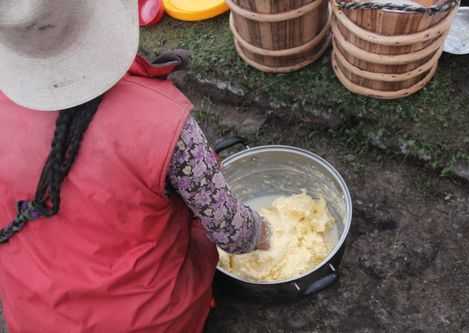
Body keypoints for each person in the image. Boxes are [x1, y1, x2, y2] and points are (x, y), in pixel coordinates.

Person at [0, 1, 270, 332]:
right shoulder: (164, 123)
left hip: (34, 318)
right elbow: (234, 234)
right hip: (150, 321)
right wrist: (262, 230)